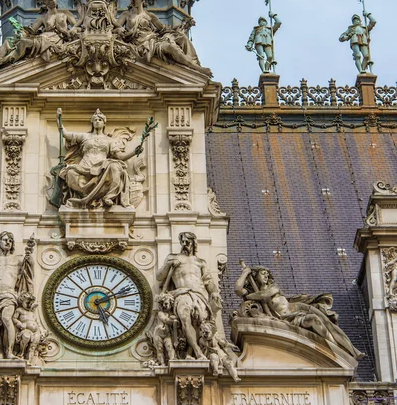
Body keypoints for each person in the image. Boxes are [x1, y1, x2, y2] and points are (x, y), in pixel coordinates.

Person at [234, 263, 364, 359]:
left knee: (329, 324)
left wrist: (248, 296)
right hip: (289, 317)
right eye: (263, 273)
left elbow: (264, 295)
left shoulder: (272, 288)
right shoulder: (254, 291)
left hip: (299, 308)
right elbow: (238, 289)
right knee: (315, 320)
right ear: (256, 275)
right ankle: (337, 348)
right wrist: (245, 273)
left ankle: (347, 350)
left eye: (267, 274)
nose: (266, 276)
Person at [57, 108, 143, 209]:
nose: (97, 121)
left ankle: (109, 196)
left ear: (104, 123)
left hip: (102, 168)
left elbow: (120, 156)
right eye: (95, 120)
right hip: (85, 167)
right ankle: (87, 196)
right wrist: (59, 119)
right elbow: (65, 134)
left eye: (100, 120)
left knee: (115, 166)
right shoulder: (84, 136)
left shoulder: (110, 140)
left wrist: (134, 152)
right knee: (70, 172)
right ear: (92, 123)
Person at [155, 232, 222, 360]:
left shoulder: (200, 262)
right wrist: (169, 264)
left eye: (187, 242)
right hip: (182, 293)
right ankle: (198, 352)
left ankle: (192, 351)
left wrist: (214, 292)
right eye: (183, 242)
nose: (185, 245)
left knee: (201, 321)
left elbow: (208, 281)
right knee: (185, 318)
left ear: (193, 243)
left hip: (199, 294)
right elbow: (159, 276)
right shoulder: (173, 258)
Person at [0, 0, 78, 76]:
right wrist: (20, 34)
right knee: (9, 41)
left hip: (55, 39)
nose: (53, 1)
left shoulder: (65, 13)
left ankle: (4, 61)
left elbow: (77, 28)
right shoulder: (43, 18)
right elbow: (30, 31)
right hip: (42, 38)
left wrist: (64, 31)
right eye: (50, 0)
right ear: (45, 2)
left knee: (23, 42)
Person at [116, 0, 210, 75]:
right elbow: (114, 28)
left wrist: (182, 26)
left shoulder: (150, 16)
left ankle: (194, 66)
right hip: (138, 44)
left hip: (153, 41)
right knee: (171, 46)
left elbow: (164, 28)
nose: (131, 2)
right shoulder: (126, 15)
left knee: (174, 44)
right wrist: (119, 29)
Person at [0, 231, 33, 359]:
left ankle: (9, 352)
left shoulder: (18, 260)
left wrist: (29, 255)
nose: (7, 242)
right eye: (5, 239)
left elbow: (29, 269)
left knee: (6, 318)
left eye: (10, 240)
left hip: (9, 292)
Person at [13, 292, 47, 366]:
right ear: (22, 301)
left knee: (33, 346)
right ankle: (21, 353)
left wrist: (41, 331)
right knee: (26, 337)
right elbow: (14, 318)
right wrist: (20, 324)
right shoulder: (19, 310)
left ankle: (28, 360)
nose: (29, 305)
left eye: (31, 303)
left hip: (36, 331)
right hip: (26, 330)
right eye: (27, 302)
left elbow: (37, 322)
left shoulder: (32, 313)